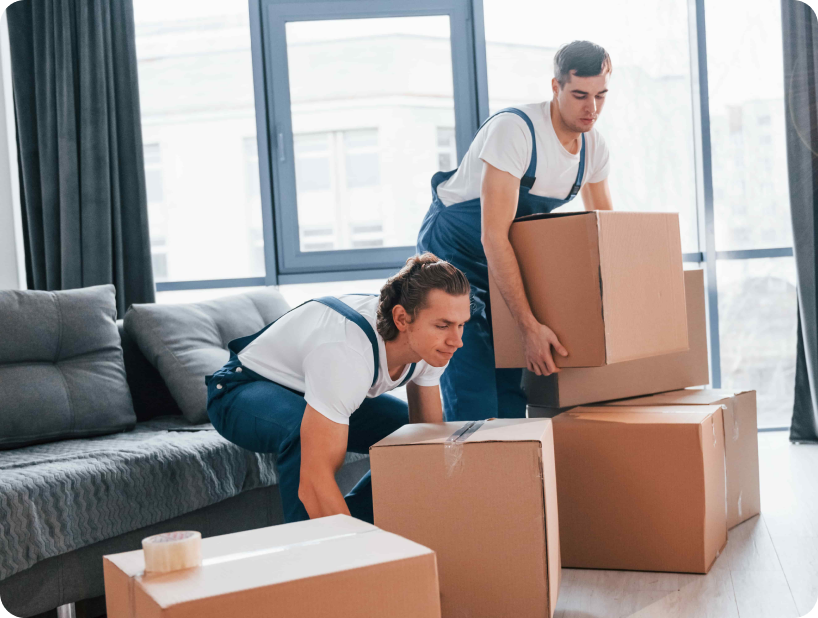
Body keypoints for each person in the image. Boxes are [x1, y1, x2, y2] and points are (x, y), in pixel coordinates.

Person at [417, 40, 614, 422]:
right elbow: (493, 235)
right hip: (453, 254)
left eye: (601, 96)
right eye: (579, 95)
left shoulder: (594, 150)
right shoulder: (516, 131)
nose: (591, 108)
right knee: (473, 393)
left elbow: (605, 235)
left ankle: (505, 479)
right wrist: (527, 327)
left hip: (505, 260)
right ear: (555, 88)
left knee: (511, 395)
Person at [206, 253, 471, 523]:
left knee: (414, 440)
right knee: (301, 431)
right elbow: (314, 480)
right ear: (401, 319)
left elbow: (428, 445)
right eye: (443, 325)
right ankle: (313, 555)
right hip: (241, 388)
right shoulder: (347, 352)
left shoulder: (433, 344)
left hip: (312, 386)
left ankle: (360, 528)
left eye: (461, 325)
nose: (456, 341)